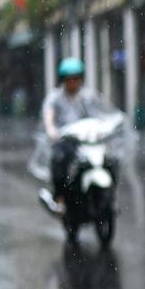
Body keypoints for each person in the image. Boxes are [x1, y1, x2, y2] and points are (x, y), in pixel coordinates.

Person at [39, 58, 110, 212]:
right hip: (67, 141)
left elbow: (100, 115)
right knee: (59, 161)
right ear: (63, 80)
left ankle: (110, 199)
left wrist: (106, 126)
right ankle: (60, 199)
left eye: (76, 78)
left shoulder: (88, 96)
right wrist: (51, 129)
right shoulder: (55, 97)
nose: (73, 82)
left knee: (110, 159)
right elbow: (49, 116)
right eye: (69, 79)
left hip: (88, 140)